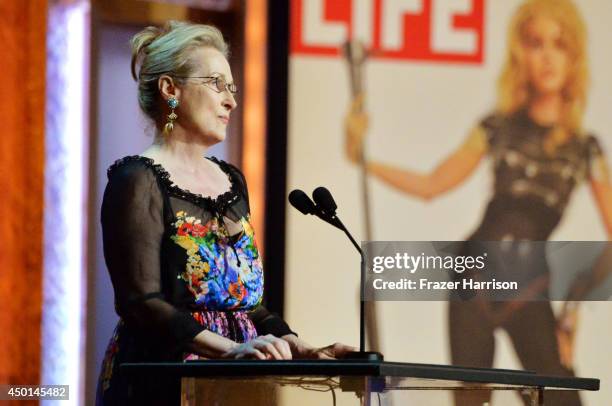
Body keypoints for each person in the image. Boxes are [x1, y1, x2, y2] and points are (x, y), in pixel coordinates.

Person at [345, 0, 611, 405]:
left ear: (574, 56)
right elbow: (432, 184)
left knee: (561, 397)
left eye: (559, 44)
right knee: (470, 401)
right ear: (521, 52)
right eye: (536, 42)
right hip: (472, 278)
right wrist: (361, 159)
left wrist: (573, 308)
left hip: (528, 290)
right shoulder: (496, 127)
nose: (547, 56)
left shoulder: (585, 149)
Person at [96, 21, 353, 406]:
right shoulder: (137, 179)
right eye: (216, 83)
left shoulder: (231, 180)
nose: (231, 100)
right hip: (163, 378)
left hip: (237, 380)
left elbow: (248, 303)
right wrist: (228, 350)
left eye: (231, 88)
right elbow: (140, 303)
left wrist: (298, 346)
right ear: (170, 89)